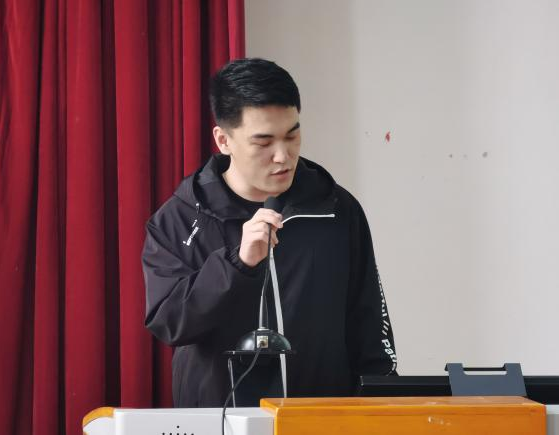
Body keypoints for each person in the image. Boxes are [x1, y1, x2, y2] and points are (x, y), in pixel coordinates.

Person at [142, 58, 397, 408]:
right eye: (263, 143)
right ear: (223, 140)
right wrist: (237, 264)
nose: (283, 156)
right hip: (220, 420)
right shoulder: (180, 219)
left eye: (292, 136)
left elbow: (368, 321)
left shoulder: (337, 209)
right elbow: (171, 323)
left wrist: (381, 404)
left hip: (321, 418)